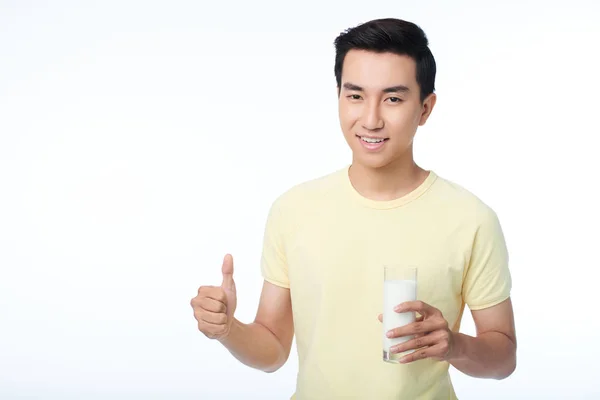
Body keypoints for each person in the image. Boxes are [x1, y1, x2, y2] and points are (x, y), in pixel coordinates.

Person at [190, 17, 517, 399]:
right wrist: (228, 328)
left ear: (425, 108)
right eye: (356, 95)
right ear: (339, 97)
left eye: (393, 98)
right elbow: (273, 349)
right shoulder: (294, 210)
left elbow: (503, 357)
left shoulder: (470, 219)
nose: (371, 119)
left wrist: (455, 345)